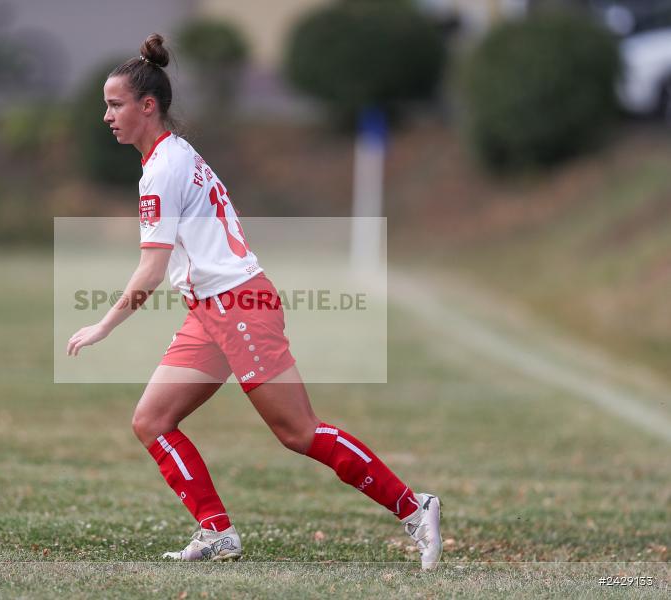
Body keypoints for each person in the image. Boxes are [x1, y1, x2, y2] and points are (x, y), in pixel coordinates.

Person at [66, 33, 443, 569]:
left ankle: (414, 506)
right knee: (152, 420)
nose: (107, 115)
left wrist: (104, 325)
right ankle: (216, 533)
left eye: (114, 104)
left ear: (147, 106)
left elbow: (151, 270)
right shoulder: (171, 156)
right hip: (212, 309)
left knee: (297, 431)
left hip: (238, 306)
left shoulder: (163, 169)